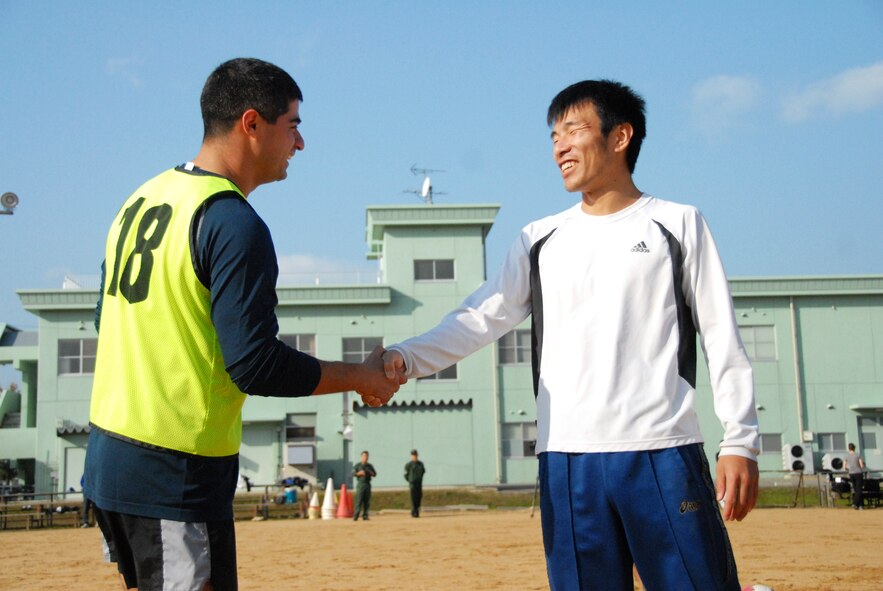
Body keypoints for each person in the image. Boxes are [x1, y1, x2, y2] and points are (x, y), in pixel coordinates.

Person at [383, 80, 759, 591]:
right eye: (553, 135)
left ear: (620, 136)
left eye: (574, 130)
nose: (559, 146)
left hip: (661, 450)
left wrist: (741, 440)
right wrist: (407, 358)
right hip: (565, 460)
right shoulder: (539, 239)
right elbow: (481, 316)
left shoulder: (678, 224)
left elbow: (721, 335)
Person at [83, 58, 403, 591]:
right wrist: (361, 377)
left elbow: (105, 320)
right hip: (173, 471)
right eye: (294, 125)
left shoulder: (141, 198)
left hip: (109, 459)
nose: (299, 144)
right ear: (252, 124)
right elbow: (256, 364)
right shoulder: (232, 222)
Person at [352, 450, 377, 520]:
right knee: (359, 500)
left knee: (367, 501)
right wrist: (358, 473)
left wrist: (370, 473)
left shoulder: (369, 466)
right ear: (361, 457)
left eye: (366, 456)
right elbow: (353, 473)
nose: (365, 457)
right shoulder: (357, 465)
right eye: (364, 456)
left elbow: (375, 474)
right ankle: (356, 515)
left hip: (367, 484)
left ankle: (365, 515)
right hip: (361, 484)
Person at [404, 449, 426, 517]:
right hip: (412, 483)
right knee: (413, 498)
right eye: (413, 455)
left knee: (419, 497)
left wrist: (419, 478)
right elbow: (405, 474)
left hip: (419, 483)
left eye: (415, 455)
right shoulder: (408, 465)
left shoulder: (420, 464)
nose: (414, 456)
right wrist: (410, 480)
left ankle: (417, 509)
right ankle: (414, 511)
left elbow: (423, 472)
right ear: (411, 456)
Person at [846, 442, 865, 510]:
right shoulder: (857, 454)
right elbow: (862, 465)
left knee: (856, 489)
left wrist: (849, 468)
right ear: (854, 448)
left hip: (851, 473)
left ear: (849, 448)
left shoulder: (847, 456)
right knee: (859, 489)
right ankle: (855, 503)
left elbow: (844, 466)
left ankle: (860, 505)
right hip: (858, 473)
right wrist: (862, 466)